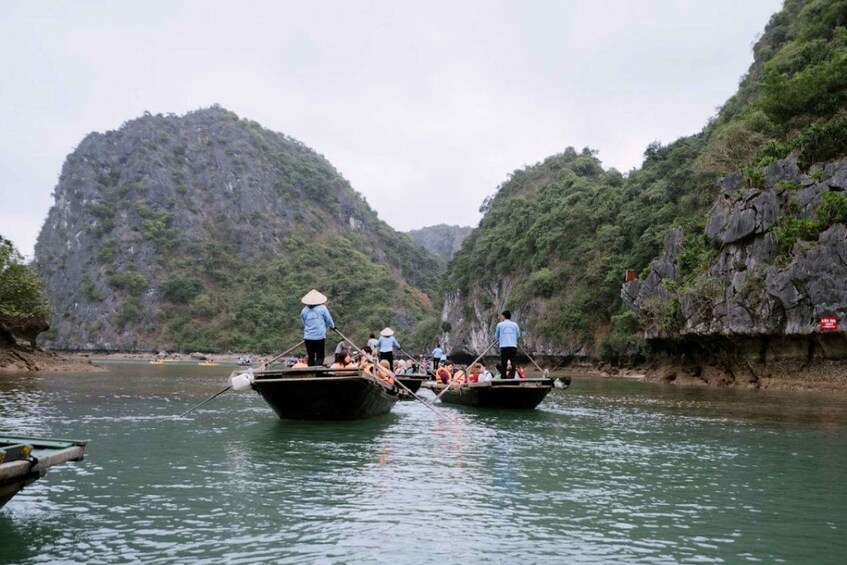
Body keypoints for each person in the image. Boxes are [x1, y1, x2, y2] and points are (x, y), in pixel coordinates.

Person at [300, 289, 335, 367]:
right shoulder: (322, 308)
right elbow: (329, 319)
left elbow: (304, 323)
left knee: (311, 356)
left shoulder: (304, 310)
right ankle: (317, 373)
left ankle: (312, 372)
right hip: (319, 336)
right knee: (320, 356)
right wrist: (333, 326)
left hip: (308, 337)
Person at [494, 310, 520, 380]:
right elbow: (518, 335)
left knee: (504, 362)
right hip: (513, 346)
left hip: (504, 346)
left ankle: (503, 376)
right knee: (513, 362)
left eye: (502, 316)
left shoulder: (499, 325)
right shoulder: (515, 325)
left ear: (504, 316)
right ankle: (512, 376)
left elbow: (496, 336)